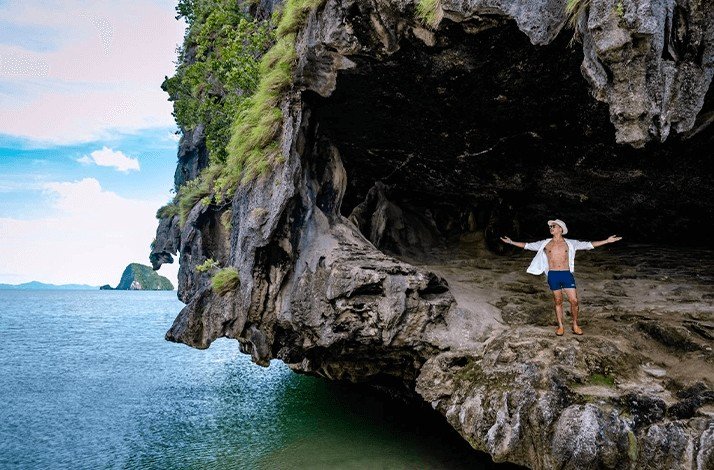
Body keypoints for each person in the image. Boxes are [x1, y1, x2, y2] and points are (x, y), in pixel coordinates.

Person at [500, 219, 622, 336]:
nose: (551, 228)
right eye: (550, 227)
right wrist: (511, 242)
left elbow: (588, 245)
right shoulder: (545, 243)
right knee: (558, 301)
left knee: (574, 301)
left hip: (566, 274)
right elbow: (527, 245)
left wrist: (606, 241)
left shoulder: (570, 243)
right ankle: (560, 326)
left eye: (553, 226)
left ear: (560, 229)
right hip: (553, 275)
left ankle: (575, 325)